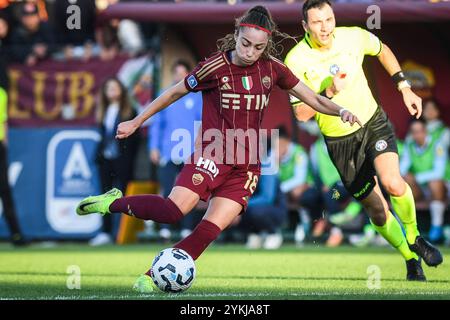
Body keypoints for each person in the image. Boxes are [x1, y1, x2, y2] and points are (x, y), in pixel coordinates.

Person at [76, 5, 360, 292]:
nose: (250, 52)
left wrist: (342, 111)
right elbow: (174, 91)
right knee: (173, 211)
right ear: (236, 34)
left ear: (266, 46)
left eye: (258, 47)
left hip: (247, 164)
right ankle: (112, 202)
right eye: (246, 44)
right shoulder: (215, 67)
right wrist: (137, 120)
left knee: (209, 229)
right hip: (212, 153)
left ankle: (151, 277)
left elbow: (314, 99)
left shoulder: (273, 69)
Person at [285, 0, 442, 281]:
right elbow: (301, 114)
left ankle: (415, 236)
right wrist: (329, 92)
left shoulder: (353, 36)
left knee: (393, 182)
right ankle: (410, 258)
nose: (325, 27)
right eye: (317, 22)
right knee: (378, 210)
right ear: (305, 26)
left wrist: (404, 87)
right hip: (340, 142)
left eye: (329, 19)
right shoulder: (296, 60)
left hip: (372, 122)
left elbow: (382, 50)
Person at [148, 60, 202, 241]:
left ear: (188, 74)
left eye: (182, 73)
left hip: (189, 151)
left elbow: (202, 123)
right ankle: (165, 228)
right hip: (168, 151)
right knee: (168, 190)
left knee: (188, 190)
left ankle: (187, 228)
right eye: (176, 73)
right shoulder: (165, 95)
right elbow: (157, 124)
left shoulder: (197, 96)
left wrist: (197, 147)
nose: (179, 76)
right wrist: (154, 147)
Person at [90, 77, 139, 246]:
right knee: (105, 193)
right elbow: (103, 136)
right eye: (108, 88)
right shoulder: (103, 110)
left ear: (121, 90)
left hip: (122, 159)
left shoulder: (129, 111)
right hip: (106, 159)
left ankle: (123, 232)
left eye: (114, 88)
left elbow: (134, 139)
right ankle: (105, 232)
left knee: (124, 194)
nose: (111, 91)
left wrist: (126, 157)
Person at [0, 11, 26, 246]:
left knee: (5, 189)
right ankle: (17, 234)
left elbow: (4, 120)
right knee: (5, 190)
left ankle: (17, 233)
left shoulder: (2, 93)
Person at [400, 118, 448, 243]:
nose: (417, 135)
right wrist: (409, 177)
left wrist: (417, 178)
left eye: (420, 131)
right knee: (401, 181)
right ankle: (404, 229)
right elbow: (402, 169)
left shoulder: (438, 144)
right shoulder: (409, 145)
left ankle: (436, 227)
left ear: (426, 131)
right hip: (421, 189)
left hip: (440, 188)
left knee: (435, 182)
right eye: (414, 132)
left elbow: (439, 172)